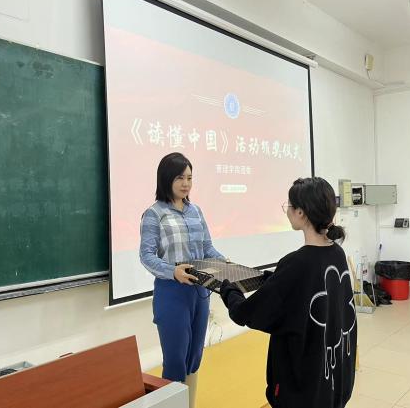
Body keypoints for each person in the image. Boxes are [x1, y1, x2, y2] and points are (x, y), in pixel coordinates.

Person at [220, 177, 357, 408]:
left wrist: (229, 291)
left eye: (290, 206)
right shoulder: (336, 253)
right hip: (330, 382)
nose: (288, 211)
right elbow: (306, 290)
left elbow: (247, 313)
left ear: (301, 212)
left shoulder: (297, 263)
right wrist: (272, 278)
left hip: (302, 387)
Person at [139, 152, 226, 408]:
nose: (186, 183)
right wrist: (172, 271)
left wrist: (225, 263)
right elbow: (146, 256)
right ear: (166, 178)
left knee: (194, 358)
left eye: (189, 178)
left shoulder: (195, 211)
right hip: (171, 293)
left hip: (200, 292)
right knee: (176, 360)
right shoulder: (154, 214)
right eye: (180, 178)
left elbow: (207, 248)